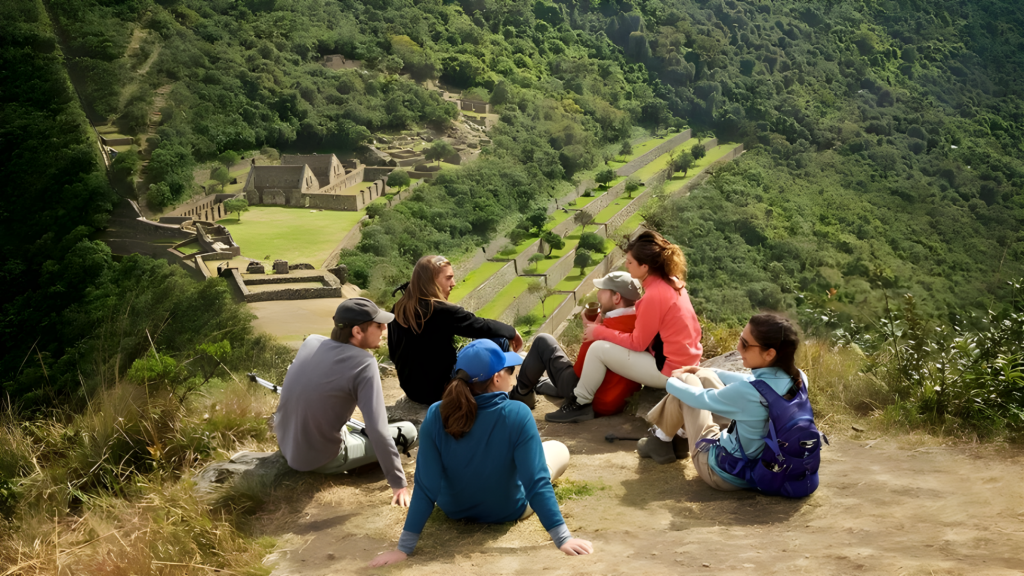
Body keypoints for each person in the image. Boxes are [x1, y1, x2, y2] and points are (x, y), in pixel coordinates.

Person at [368, 340, 594, 567]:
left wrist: (403, 549)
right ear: (497, 378)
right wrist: (562, 538)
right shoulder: (518, 413)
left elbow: (426, 486)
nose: (512, 377)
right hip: (507, 509)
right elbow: (536, 482)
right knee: (558, 450)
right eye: (509, 371)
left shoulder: (436, 413)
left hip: (453, 509)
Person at [546, 230, 703, 423]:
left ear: (644, 266)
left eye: (630, 262)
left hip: (669, 371)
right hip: (688, 362)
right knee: (605, 345)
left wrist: (600, 331)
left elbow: (637, 343)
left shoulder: (653, 296)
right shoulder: (673, 283)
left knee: (597, 349)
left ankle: (580, 403)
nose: (627, 266)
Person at [274, 298, 416, 506]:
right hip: (320, 459)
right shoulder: (364, 363)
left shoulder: (312, 341)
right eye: (378, 325)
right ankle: (359, 463)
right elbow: (377, 430)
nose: (384, 328)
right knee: (409, 430)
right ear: (358, 332)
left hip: (287, 445)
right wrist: (398, 484)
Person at [641, 314, 807, 490]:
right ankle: (675, 438)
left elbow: (698, 399)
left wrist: (670, 380)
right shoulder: (799, 378)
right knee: (704, 375)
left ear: (769, 354)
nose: (738, 348)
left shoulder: (747, 393)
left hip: (721, 473)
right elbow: (749, 380)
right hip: (759, 465)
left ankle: (662, 439)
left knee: (687, 381)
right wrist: (705, 370)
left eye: (745, 343)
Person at [388, 254, 523, 405]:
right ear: (431, 281)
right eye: (448, 278)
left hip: (413, 391)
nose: (453, 283)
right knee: (499, 341)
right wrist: (512, 332)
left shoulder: (399, 307)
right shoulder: (441, 311)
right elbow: (480, 326)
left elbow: (393, 354)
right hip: (440, 390)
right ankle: (492, 396)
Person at [512, 271, 643, 416]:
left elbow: (580, 371)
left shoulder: (606, 330)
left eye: (602, 290)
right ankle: (541, 384)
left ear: (616, 297)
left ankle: (522, 393)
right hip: (620, 395)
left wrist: (590, 332)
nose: (598, 294)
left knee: (543, 341)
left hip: (594, 397)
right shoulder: (642, 323)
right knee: (553, 376)